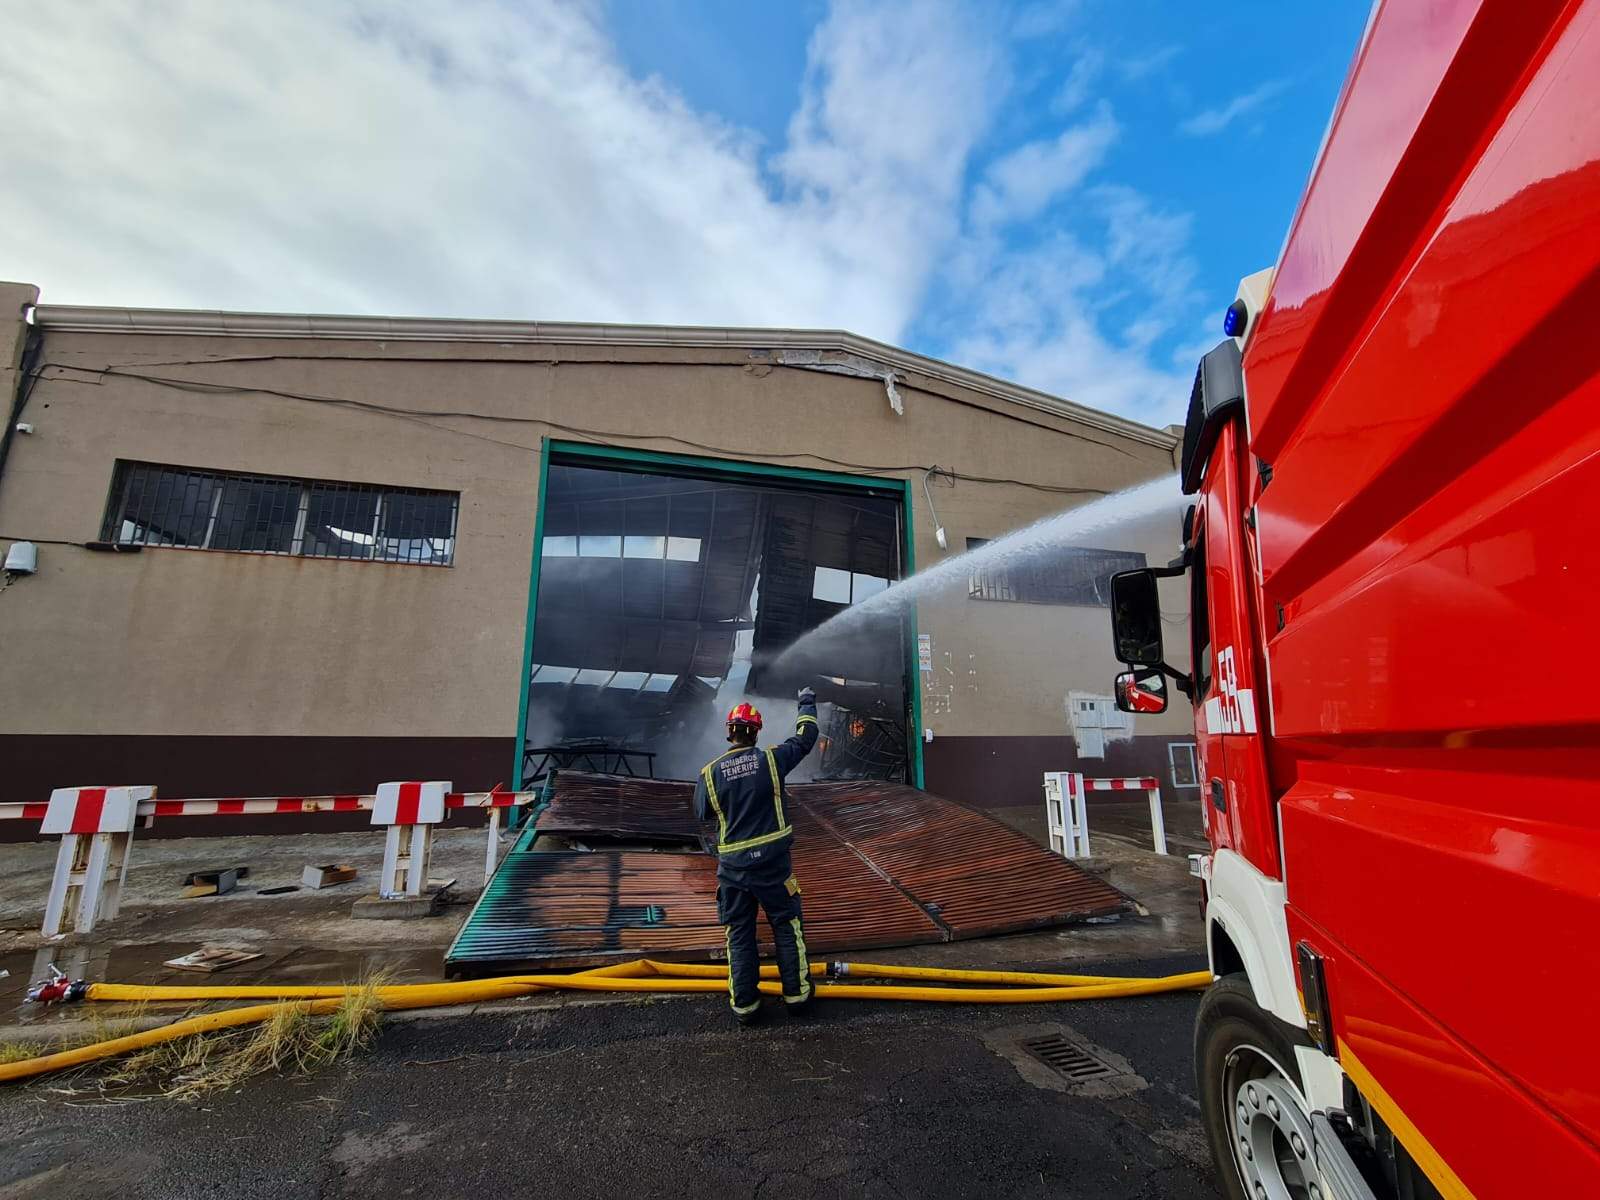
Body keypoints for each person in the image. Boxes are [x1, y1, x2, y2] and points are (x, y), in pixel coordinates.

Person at [692, 687, 820, 1026]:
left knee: (739, 933)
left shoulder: (710, 774)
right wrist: (806, 701)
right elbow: (807, 737)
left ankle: (745, 1006)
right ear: (756, 732)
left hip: (733, 871)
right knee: (786, 925)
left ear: (729, 731)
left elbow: (701, 812)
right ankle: (797, 996)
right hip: (773, 867)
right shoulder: (772, 760)